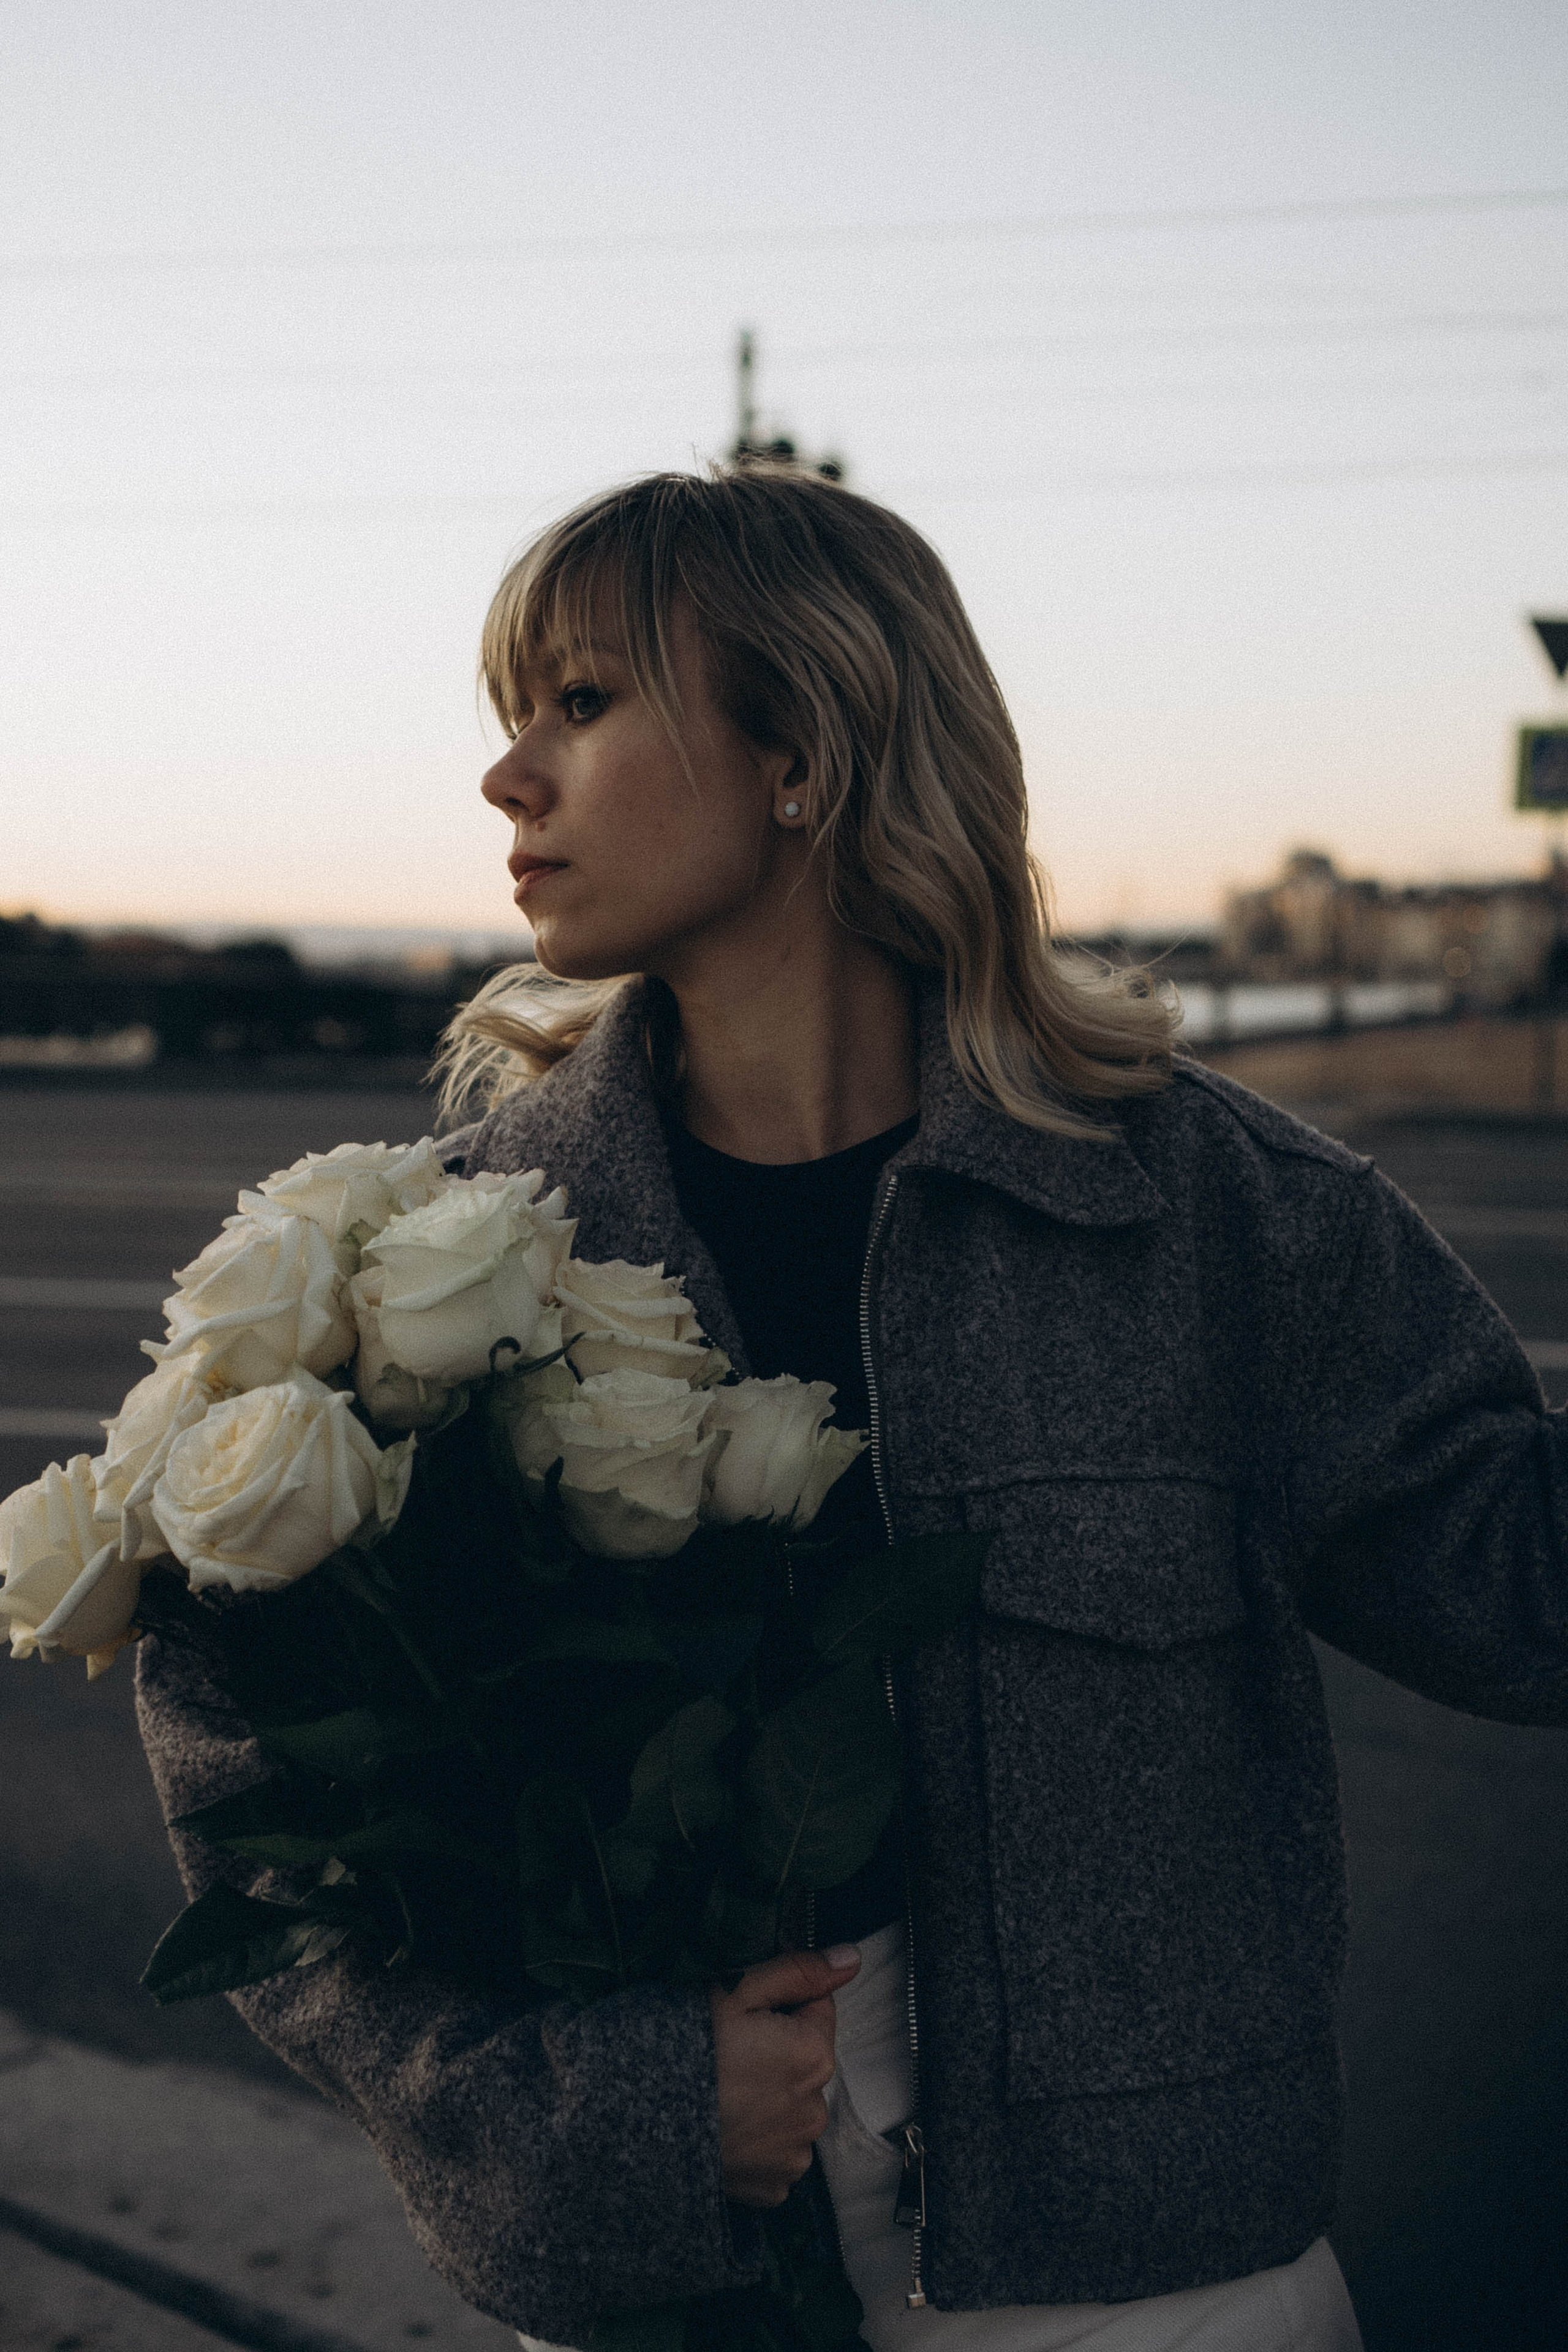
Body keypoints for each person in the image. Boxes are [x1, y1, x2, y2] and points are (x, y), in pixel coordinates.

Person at [136, 466, 1568, 2352]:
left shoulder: (1217, 1217)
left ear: (802, 749)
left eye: (580, 701)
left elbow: (1524, 1593)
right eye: (511, 717)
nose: (508, 777)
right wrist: (609, 2114)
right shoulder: (442, 1261)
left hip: (1161, 2294)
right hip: (664, 2288)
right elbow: (261, 1825)